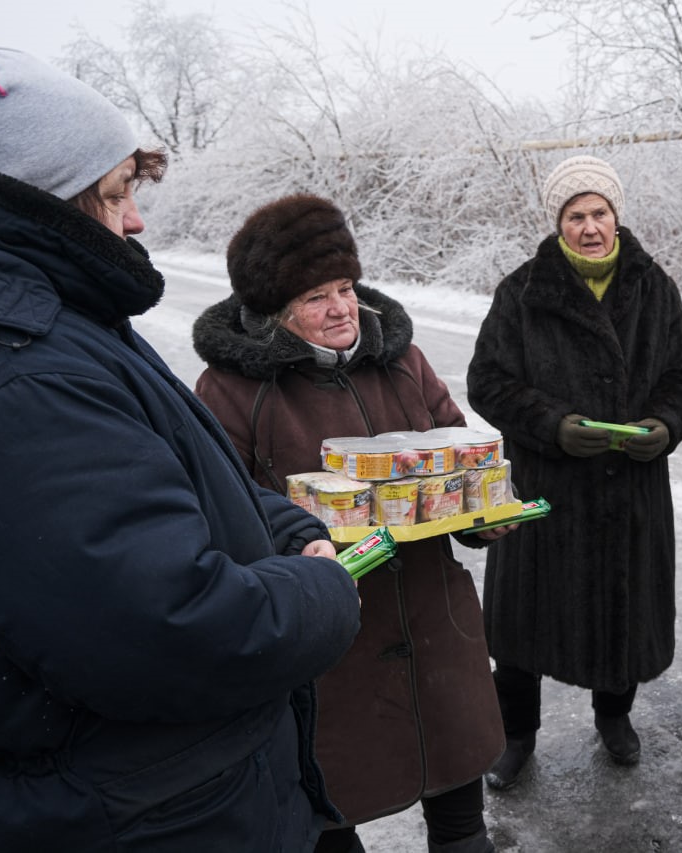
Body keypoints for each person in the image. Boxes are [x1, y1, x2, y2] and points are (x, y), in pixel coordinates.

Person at [0, 48, 361, 852]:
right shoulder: (27, 373)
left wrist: (288, 525)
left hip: (180, 791)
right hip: (151, 811)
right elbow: (167, 627)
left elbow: (194, 484)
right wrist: (324, 587)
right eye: (118, 192)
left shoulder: (67, 328)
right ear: (39, 199)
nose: (136, 219)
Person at [191, 194, 507, 853]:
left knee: (460, 817)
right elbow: (220, 518)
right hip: (327, 648)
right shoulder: (231, 391)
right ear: (272, 309)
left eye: (344, 287)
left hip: (431, 626)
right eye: (315, 296)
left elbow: (457, 454)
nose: (341, 308)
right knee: (331, 815)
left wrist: (486, 514)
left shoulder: (402, 360)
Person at [465, 155, 682, 789]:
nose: (590, 226)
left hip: (631, 487)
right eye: (576, 215)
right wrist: (553, 425)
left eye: (600, 212)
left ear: (617, 217)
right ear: (558, 221)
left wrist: (665, 426)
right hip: (548, 488)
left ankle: (615, 717)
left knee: (621, 609)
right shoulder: (521, 292)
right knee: (524, 626)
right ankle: (514, 736)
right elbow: (487, 383)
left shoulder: (656, 288)